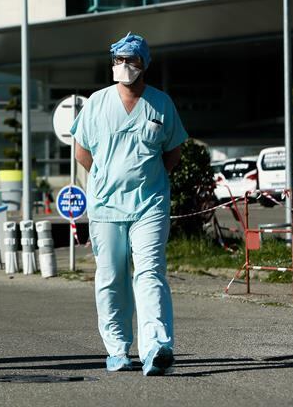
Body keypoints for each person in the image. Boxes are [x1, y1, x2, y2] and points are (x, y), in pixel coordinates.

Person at [70, 32, 187, 376]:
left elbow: (174, 152)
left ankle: (156, 348)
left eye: (131, 61)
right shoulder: (96, 103)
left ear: (144, 65)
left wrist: (148, 180)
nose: (124, 66)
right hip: (106, 205)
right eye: (118, 60)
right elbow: (82, 152)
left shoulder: (161, 104)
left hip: (149, 204)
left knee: (150, 273)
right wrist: (109, 177)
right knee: (111, 277)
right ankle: (118, 350)